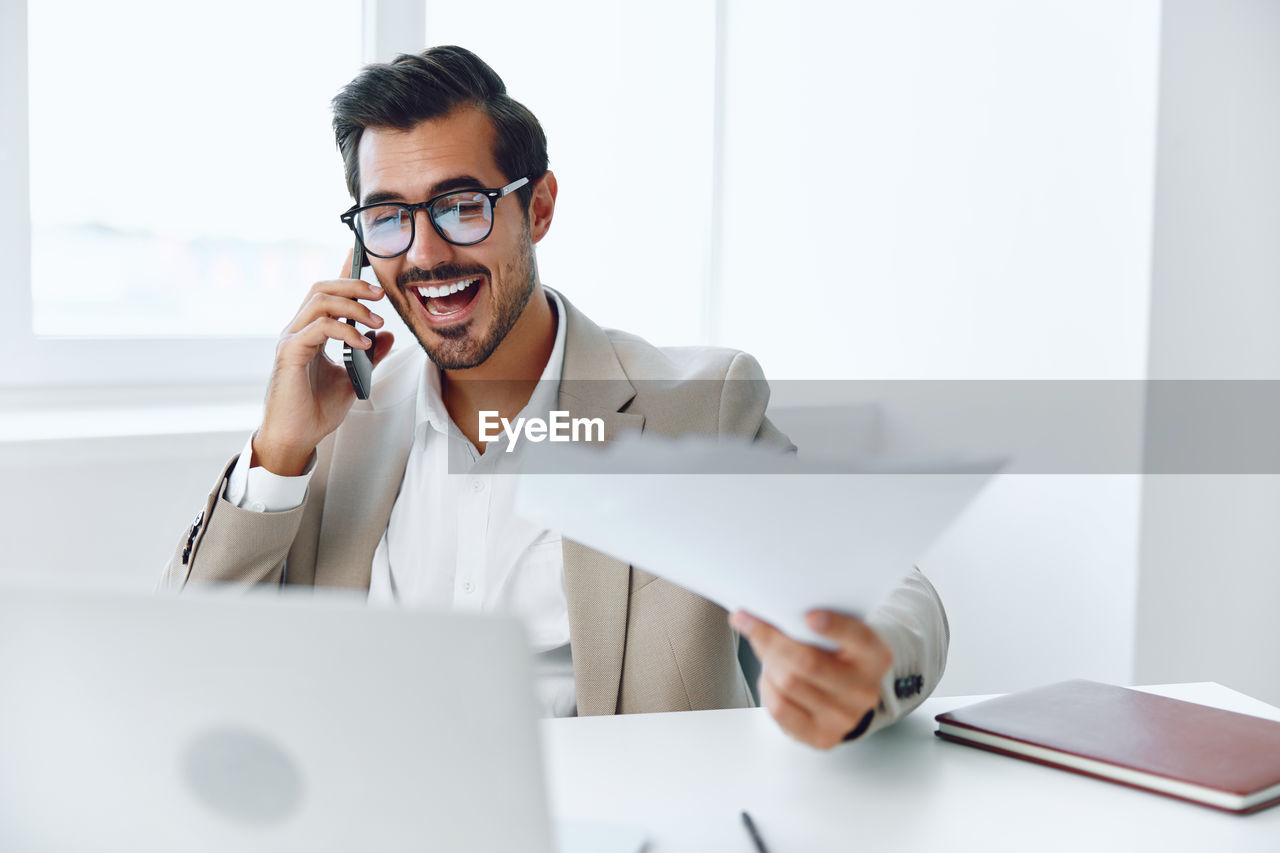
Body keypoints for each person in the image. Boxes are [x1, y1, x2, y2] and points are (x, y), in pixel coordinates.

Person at [162, 45, 948, 750]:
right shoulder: (335, 424)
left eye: (461, 206)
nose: (427, 253)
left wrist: (860, 663)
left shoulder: (691, 407)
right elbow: (189, 659)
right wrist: (279, 451)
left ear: (536, 209)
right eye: (387, 218)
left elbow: (884, 584)